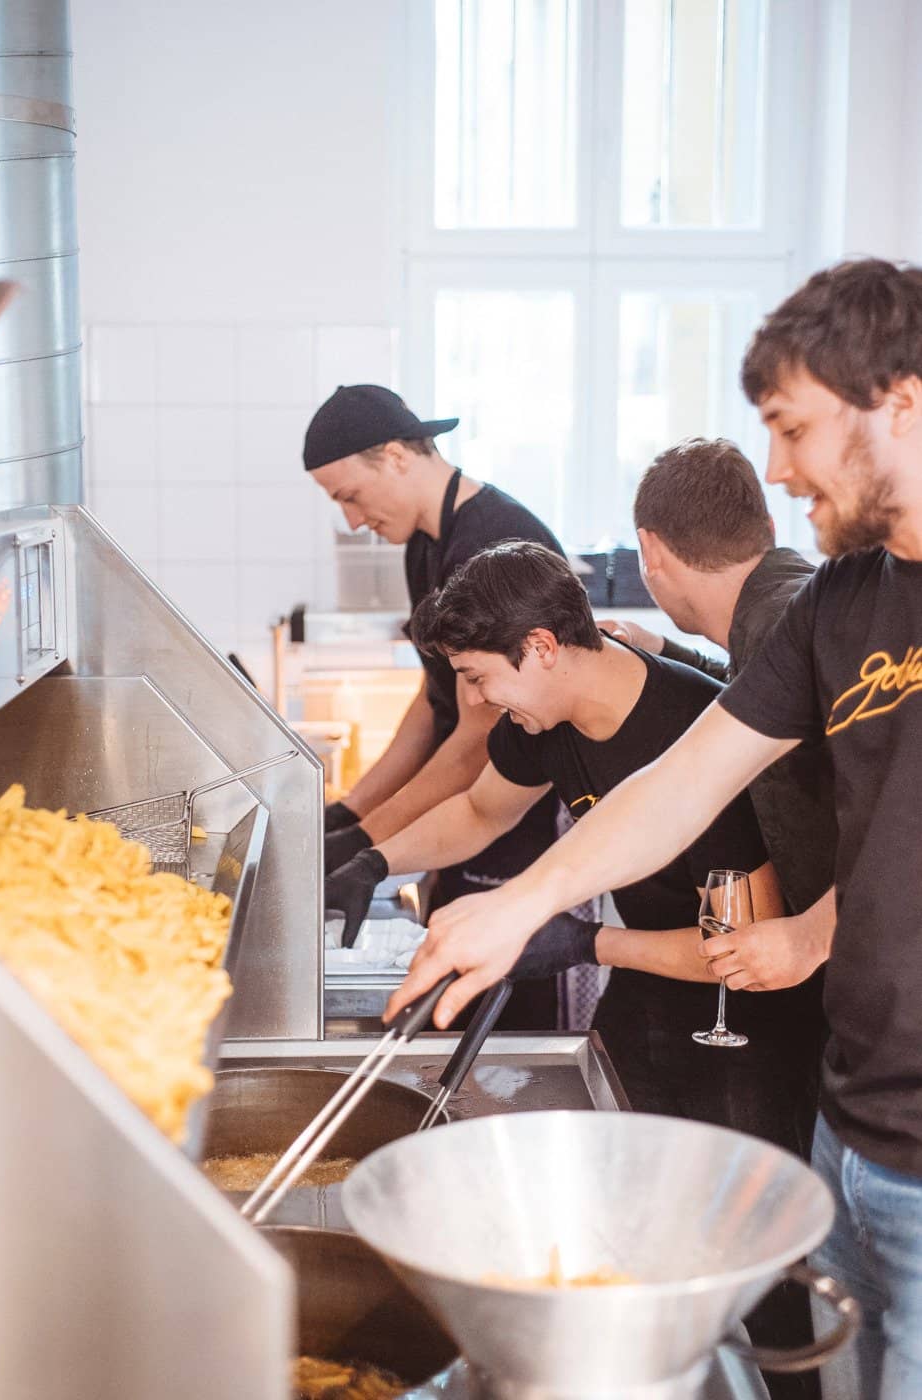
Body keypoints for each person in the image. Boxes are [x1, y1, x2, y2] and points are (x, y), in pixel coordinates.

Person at [387, 258, 922, 1399]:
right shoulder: (841, 601)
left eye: (791, 427)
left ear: (901, 401)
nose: (775, 470)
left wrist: (812, 928)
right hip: (856, 1121)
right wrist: (523, 904)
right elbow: (685, 780)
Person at [327, 538, 822, 1153]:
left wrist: (585, 942)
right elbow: (481, 812)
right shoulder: (541, 722)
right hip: (646, 991)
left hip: (742, 1030)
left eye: (477, 678)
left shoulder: (690, 731)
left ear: (540, 648)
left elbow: (744, 948)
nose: (477, 702)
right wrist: (373, 862)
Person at [304, 383, 562, 1026]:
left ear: (394, 456)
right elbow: (434, 700)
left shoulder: (492, 542)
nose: (354, 523)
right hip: (461, 819)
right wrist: (352, 811)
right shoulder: (427, 542)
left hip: (514, 824)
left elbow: (477, 737)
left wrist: (369, 840)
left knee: (505, 1033)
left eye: (350, 497)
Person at [610, 438, 837, 998]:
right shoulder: (788, 604)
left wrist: (813, 936)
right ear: (767, 525)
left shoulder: (784, 630)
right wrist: (662, 648)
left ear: (649, 550)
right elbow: (753, 688)